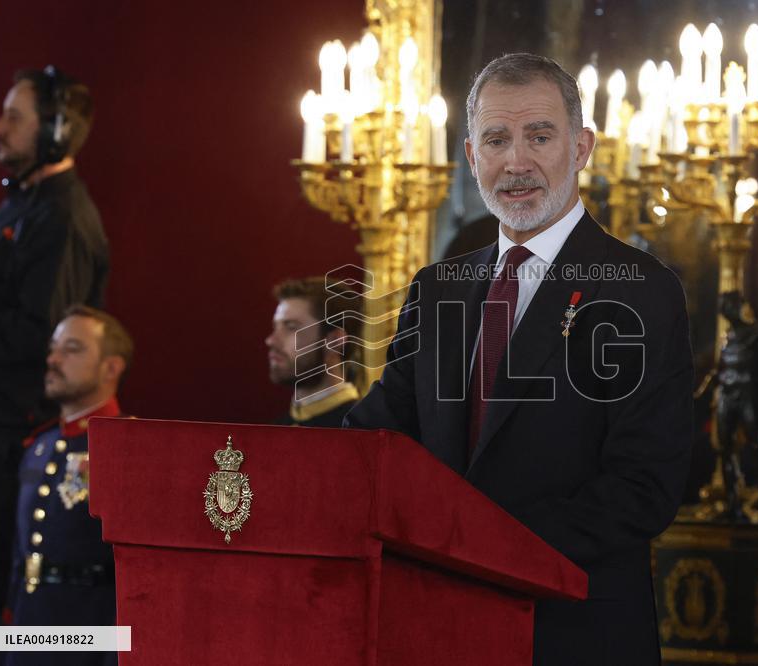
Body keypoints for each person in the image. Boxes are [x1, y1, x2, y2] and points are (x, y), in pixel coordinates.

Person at [345, 53, 693, 665]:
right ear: (472, 155)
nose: (516, 162)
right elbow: (374, 441)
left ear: (581, 147)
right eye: (497, 139)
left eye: (539, 135)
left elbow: (644, 487)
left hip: (573, 635)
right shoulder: (438, 288)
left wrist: (478, 545)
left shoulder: (640, 290)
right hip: (435, 631)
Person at [0, 66, 109, 631]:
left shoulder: (63, 219)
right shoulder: (20, 206)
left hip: (7, 442)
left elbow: (41, 338)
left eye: (14, 117)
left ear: (55, 131)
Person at [4, 305, 132, 666]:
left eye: (72, 349)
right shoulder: (39, 447)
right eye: (53, 348)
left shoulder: (128, 449)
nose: (53, 359)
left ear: (111, 366)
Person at [266, 278, 359, 427]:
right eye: (276, 327)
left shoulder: (361, 431)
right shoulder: (276, 429)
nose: (271, 340)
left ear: (334, 340)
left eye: (290, 327)